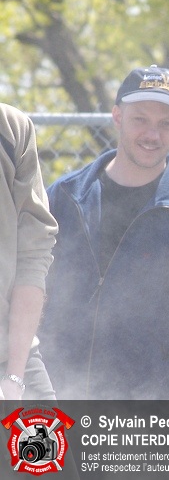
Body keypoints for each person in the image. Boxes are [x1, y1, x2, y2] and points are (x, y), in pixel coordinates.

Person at [39, 64, 169, 400]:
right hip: (58, 408)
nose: (153, 135)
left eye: (165, 123)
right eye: (140, 119)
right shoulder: (63, 198)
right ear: (117, 117)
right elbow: (27, 295)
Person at [0, 104, 58, 401]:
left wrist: (14, 377)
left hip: (12, 358)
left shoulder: (11, 128)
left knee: (45, 433)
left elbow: (33, 255)